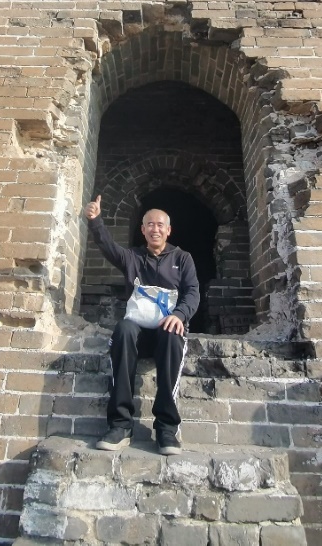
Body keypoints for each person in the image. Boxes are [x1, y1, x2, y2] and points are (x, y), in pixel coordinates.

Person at [84, 195, 200, 455]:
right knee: (123, 329)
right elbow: (109, 248)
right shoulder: (133, 257)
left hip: (165, 331)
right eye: (150, 224)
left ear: (168, 230)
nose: (155, 229)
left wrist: (179, 315)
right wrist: (95, 221)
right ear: (143, 229)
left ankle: (166, 427)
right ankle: (120, 425)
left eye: (160, 225)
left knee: (173, 333)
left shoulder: (182, 258)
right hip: (137, 332)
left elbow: (193, 292)